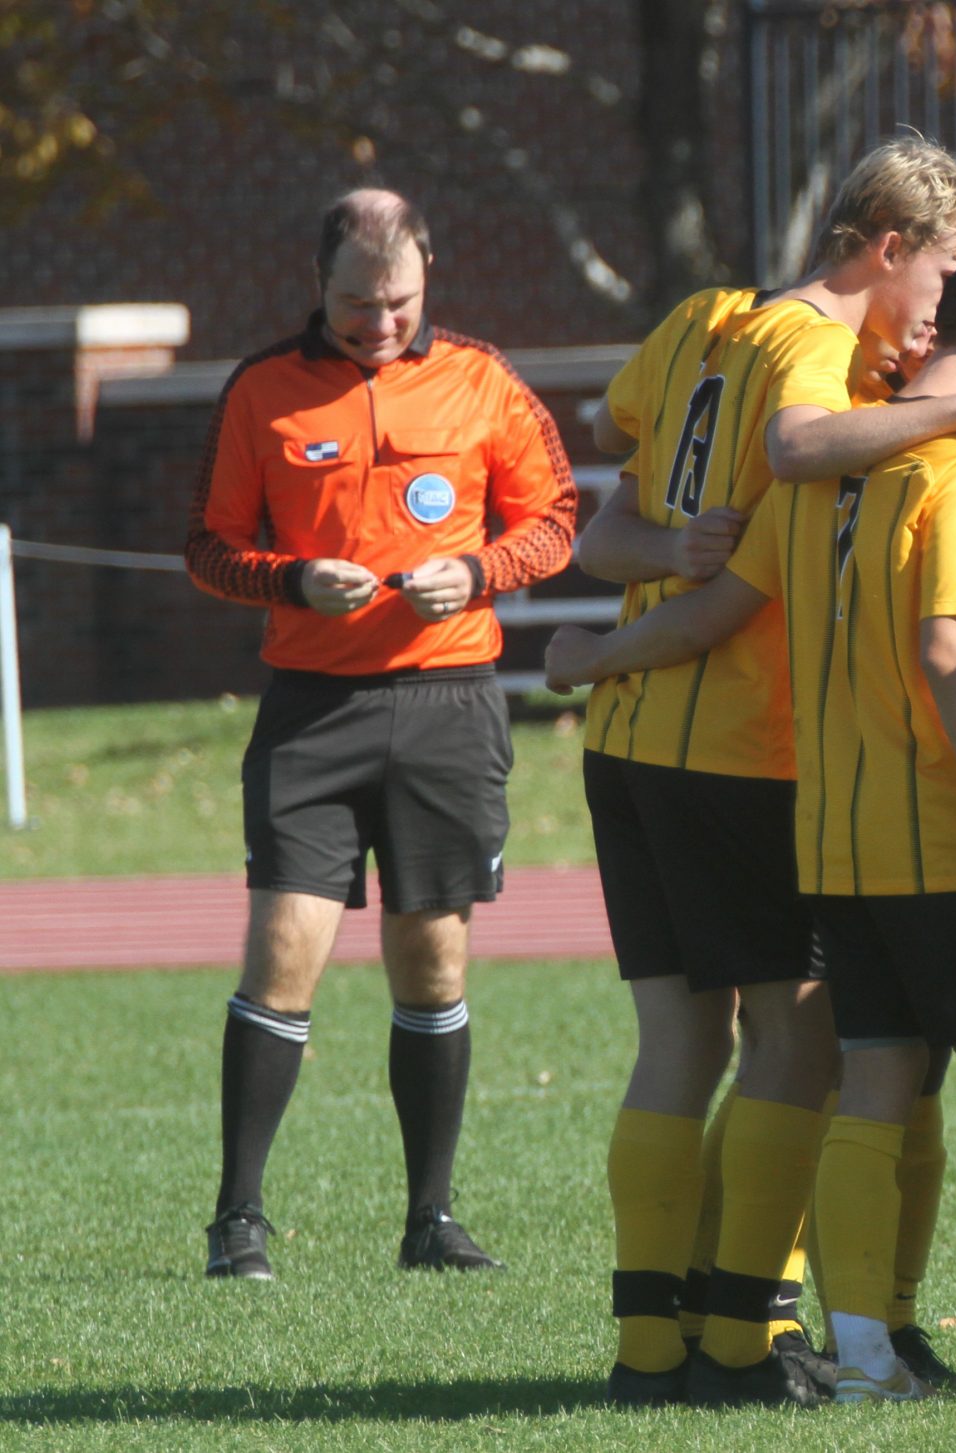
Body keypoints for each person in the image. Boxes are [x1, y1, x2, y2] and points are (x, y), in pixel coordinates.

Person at [549, 241, 956, 1399]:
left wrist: (593, 655)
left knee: (874, 1087)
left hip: (831, 846)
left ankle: (858, 1350)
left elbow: (720, 606)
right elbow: (950, 648)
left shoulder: (822, 467)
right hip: (940, 838)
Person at [573, 138, 956, 1407]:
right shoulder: (811, 349)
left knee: (679, 1041)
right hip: (737, 746)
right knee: (799, 1042)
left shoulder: (705, 320)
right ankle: (740, 1339)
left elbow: (611, 509)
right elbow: (809, 444)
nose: (947, 306)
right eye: (945, 271)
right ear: (885, 246)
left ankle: (651, 1349)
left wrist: (662, 552)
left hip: (629, 745)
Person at [184, 188, 579, 1281]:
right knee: (281, 954)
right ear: (319, 286)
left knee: (432, 959)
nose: (378, 322)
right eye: (357, 303)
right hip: (312, 712)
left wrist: (480, 571)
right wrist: (294, 580)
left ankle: (431, 1219)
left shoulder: (484, 379)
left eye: (398, 301)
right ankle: (239, 1221)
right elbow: (209, 549)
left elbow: (552, 522)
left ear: (427, 276)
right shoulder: (263, 389)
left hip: (449, 707)